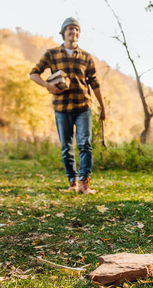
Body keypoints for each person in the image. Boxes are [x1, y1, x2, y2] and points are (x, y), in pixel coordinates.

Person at [30, 17, 106, 195]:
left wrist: (102, 106)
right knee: (66, 146)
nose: (74, 32)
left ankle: (84, 184)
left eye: (77, 29)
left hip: (83, 107)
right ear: (63, 32)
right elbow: (34, 74)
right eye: (70, 29)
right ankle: (72, 181)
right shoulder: (51, 54)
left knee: (85, 144)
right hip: (61, 108)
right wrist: (48, 85)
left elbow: (95, 83)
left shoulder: (86, 57)